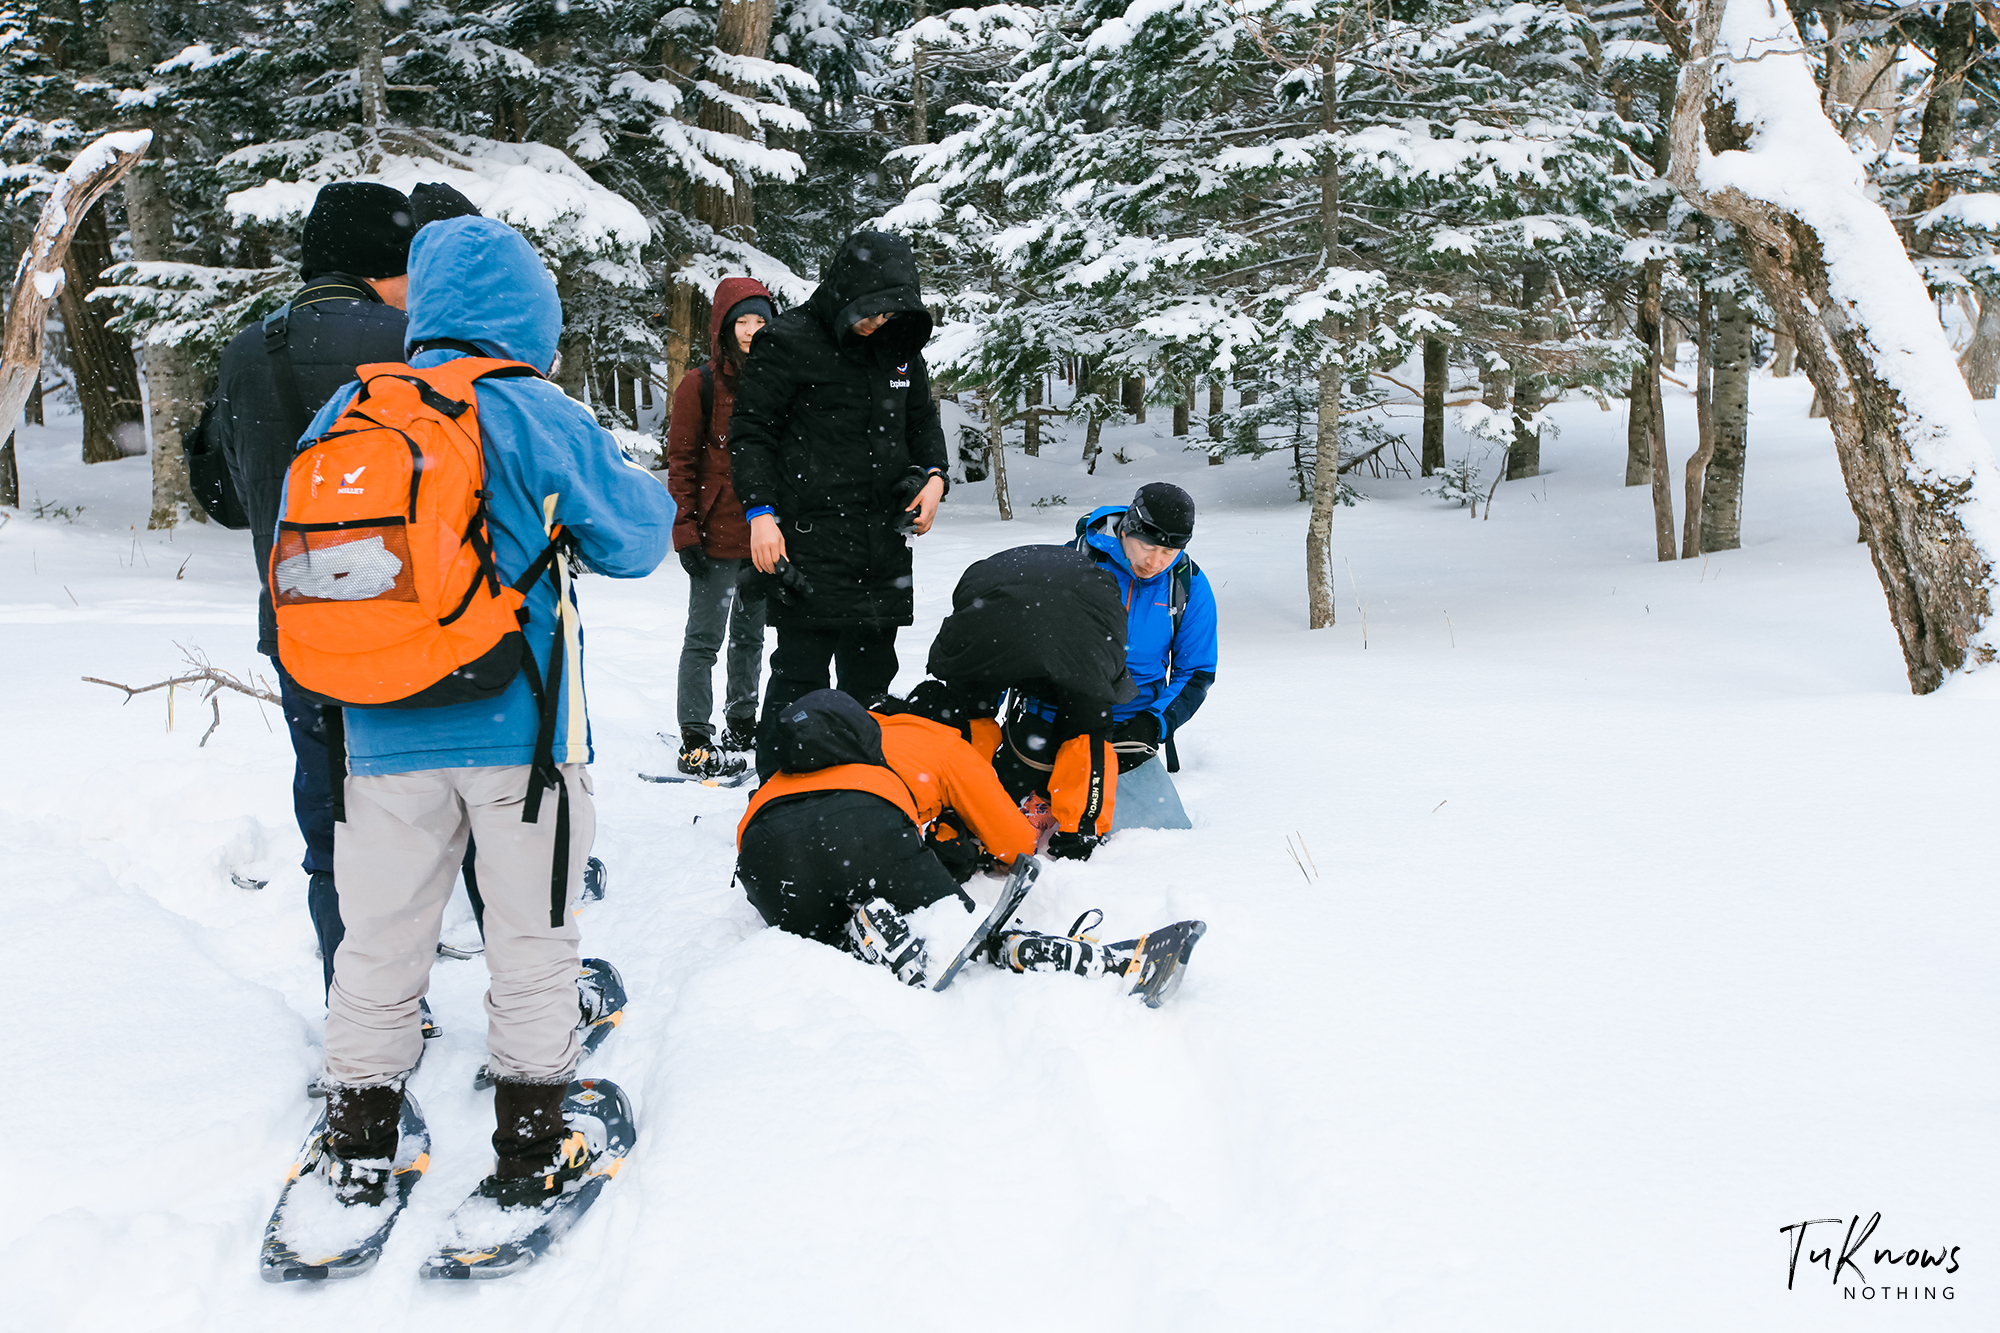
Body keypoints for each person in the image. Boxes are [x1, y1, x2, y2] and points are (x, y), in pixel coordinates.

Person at [298, 215, 672, 1206]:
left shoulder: (348, 407)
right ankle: (530, 1143)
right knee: (531, 936)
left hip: (375, 729)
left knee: (378, 938)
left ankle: (360, 1134)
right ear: (529, 315)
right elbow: (638, 539)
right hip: (522, 730)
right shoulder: (526, 406)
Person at [213, 182, 416, 994]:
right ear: (379, 264)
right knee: (419, 808)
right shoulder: (412, 342)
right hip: (409, 620)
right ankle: (414, 975)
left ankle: (357, 993)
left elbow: (222, 498)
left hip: (300, 622)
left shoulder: (246, 350)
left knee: (330, 819)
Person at [727, 230, 950, 778]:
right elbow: (751, 433)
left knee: (872, 682)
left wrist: (936, 478)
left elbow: (923, 422)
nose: (876, 325)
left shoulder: (899, 348)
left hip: (883, 546)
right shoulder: (788, 340)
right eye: (868, 313)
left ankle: (862, 796)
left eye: (889, 314)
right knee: (799, 675)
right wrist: (760, 515)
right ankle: (775, 798)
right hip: (809, 542)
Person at [735, 690, 1133, 983]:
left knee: (824, 944)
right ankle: (1019, 947)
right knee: (958, 934)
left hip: (762, 854)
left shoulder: (835, 736)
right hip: (866, 822)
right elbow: (1014, 843)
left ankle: (857, 937)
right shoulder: (944, 742)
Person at [665, 277, 774, 779]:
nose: (751, 330)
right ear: (724, 327)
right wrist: (685, 533)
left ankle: (742, 721)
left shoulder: (780, 378)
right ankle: (694, 735)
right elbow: (682, 462)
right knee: (704, 639)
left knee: (750, 637)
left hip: (762, 537)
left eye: (760, 320)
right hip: (712, 537)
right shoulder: (700, 384)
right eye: (742, 321)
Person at [1072, 482, 1218, 778]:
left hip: (1132, 730)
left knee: (1150, 825)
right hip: (1059, 719)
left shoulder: (1187, 584)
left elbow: (1196, 671)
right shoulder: (1075, 563)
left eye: (1168, 551)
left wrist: (1153, 723)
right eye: (1147, 547)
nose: (1155, 562)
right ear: (1126, 531)